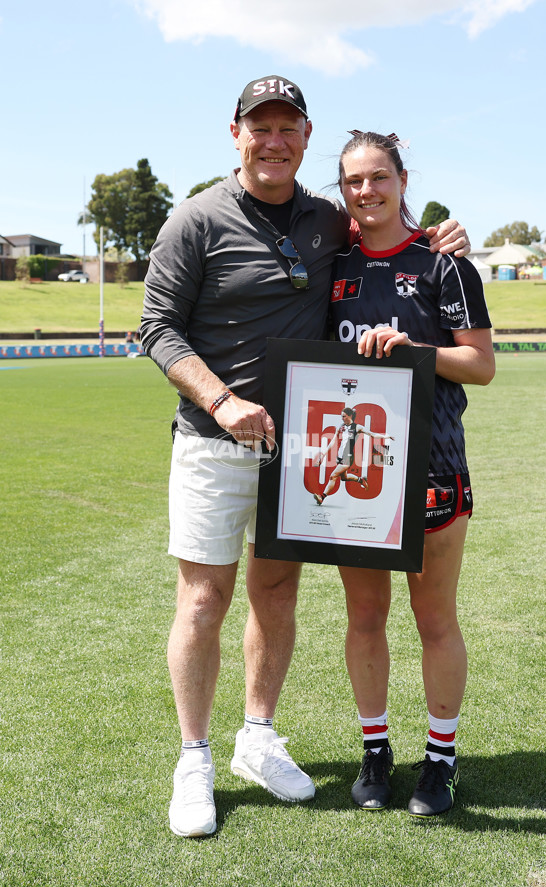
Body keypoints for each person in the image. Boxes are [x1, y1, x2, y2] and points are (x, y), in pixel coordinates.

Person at [139, 77, 471, 838]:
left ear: (306, 136)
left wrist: (443, 236)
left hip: (298, 448)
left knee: (277, 593)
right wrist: (221, 401)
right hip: (213, 441)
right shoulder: (195, 217)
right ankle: (194, 757)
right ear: (235, 134)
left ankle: (257, 737)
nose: (274, 141)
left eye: (288, 128)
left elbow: (386, 230)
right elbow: (157, 328)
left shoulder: (325, 218)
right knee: (202, 601)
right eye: (260, 127)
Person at [328, 131, 495, 817]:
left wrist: (413, 351)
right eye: (353, 181)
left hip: (434, 465)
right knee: (365, 617)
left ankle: (441, 759)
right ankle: (375, 751)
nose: (366, 191)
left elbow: (481, 365)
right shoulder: (331, 262)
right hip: (356, 470)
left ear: (402, 180)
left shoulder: (444, 263)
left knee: (434, 620)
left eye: (379, 177)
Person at [312, 407, 394, 505]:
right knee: (344, 478)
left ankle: (322, 497)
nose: (342, 418)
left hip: (348, 457)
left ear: (350, 416)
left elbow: (372, 434)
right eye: (341, 416)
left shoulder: (357, 427)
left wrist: (386, 436)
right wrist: (323, 456)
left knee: (333, 476)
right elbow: (333, 441)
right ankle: (361, 480)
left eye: (344, 416)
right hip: (340, 456)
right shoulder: (341, 427)